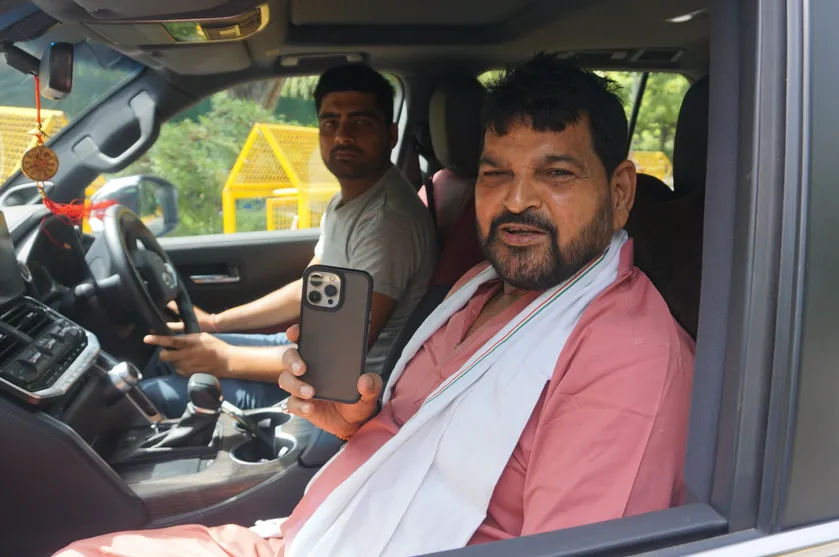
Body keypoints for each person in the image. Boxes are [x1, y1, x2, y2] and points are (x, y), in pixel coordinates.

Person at [55, 54, 695, 557]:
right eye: (497, 173)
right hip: (316, 533)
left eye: (556, 174)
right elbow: (427, 439)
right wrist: (356, 424)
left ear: (618, 191)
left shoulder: (623, 353)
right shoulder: (478, 291)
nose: (517, 201)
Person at [139, 64, 438, 417]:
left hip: (338, 394)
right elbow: (310, 288)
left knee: (151, 393)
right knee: (167, 357)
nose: (342, 136)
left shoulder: (389, 224)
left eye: (361, 122)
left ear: (390, 135)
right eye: (330, 123)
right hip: (305, 352)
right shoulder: (351, 199)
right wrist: (216, 324)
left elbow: (336, 360)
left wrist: (224, 359)